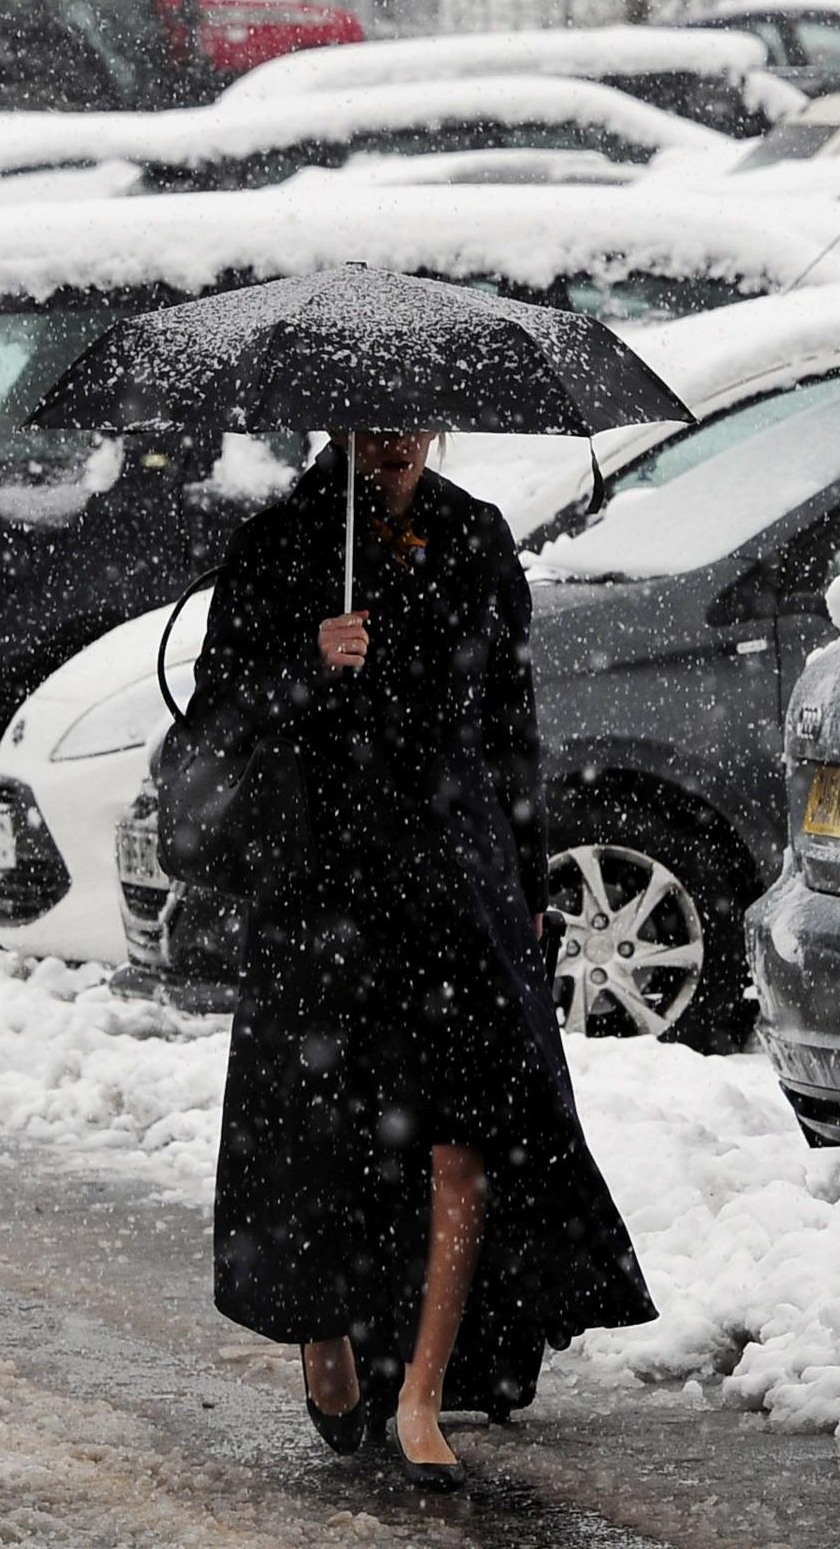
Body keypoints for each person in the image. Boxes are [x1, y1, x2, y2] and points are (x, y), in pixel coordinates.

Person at [197, 429, 653, 1489]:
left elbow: (510, 720)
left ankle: (423, 1395)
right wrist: (308, 663)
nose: (397, 439)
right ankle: (327, 1340)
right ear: (336, 425)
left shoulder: (475, 535)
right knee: (320, 1137)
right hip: (319, 885)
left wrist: (526, 874)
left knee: (465, 1137)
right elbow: (219, 718)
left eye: (415, 417)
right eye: (374, 419)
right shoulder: (276, 545)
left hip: (454, 881)